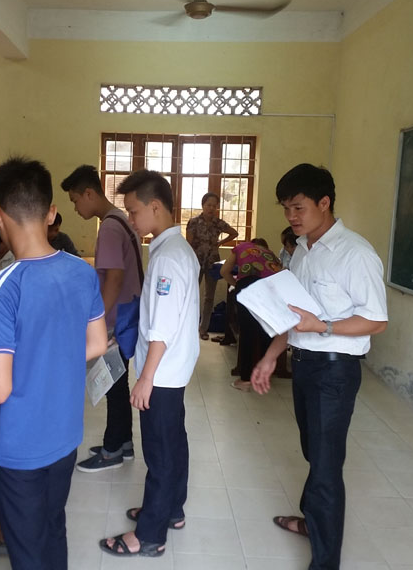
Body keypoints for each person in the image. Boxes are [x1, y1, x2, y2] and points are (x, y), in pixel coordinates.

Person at [0, 156, 108, 570]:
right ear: (52, 212)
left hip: (19, 445)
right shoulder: (81, 272)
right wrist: (49, 362)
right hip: (64, 434)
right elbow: (96, 343)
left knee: (26, 551)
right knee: (53, 528)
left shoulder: (0, 288)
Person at [251, 163, 388, 570]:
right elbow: (293, 315)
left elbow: (376, 320)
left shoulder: (355, 254)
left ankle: (325, 562)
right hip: (304, 365)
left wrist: (324, 326)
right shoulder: (302, 252)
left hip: (335, 371)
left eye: (298, 207)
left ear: (324, 203)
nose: (291, 216)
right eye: (286, 208)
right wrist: (271, 355)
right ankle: (313, 521)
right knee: (314, 451)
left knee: (326, 466)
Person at [100, 170, 199, 558]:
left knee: (160, 452)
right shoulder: (172, 250)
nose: (131, 220)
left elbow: (163, 326)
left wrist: (145, 378)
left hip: (162, 372)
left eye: (134, 211)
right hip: (171, 370)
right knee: (174, 441)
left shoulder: (169, 258)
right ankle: (171, 510)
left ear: (155, 207)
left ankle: (150, 535)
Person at [60, 163, 143, 472]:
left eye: (75, 200)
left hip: (115, 318)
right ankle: (124, 443)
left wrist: (98, 323)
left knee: (113, 385)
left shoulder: (109, 227)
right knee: (118, 383)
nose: (75, 208)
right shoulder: (121, 219)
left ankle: (111, 452)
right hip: (128, 313)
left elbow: (114, 279)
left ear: (89, 193)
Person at [219, 237, 283, 391]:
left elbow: (224, 271)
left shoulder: (241, 247)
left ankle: (246, 379)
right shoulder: (270, 253)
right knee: (266, 331)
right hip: (270, 288)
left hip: (248, 286)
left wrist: (237, 285)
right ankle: (263, 375)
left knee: (247, 333)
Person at [185, 192, 238, 340]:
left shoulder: (218, 223)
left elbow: (234, 233)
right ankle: (188, 327)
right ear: (203, 205)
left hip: (212, 263)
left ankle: (203, 329)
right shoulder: (194, 222)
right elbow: (188, 243)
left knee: (209, 297)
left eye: (214, 206)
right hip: (195, 262)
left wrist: (220, 243)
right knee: (191, 295)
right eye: (209, 205)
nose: (211, 208)